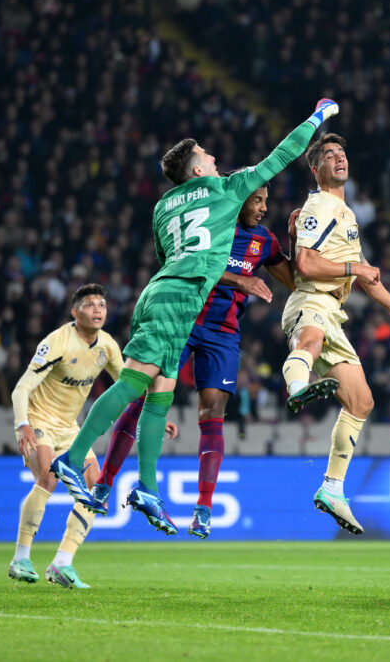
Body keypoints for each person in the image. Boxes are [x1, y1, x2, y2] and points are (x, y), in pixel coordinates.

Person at [50, 99, 341, 535]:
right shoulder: (226, 189)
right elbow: (282, 155)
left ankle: (147, 487)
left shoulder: (162, 207)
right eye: (208, 156)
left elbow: (168, 254)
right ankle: (72, 460)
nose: (216, 159)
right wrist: (318, 116)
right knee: (133, 383)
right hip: (181, 298)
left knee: (159, 393)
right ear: (199, 170)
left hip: (165, 292)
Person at [95, 179, 294, 540]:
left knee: (212, 412)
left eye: (267, 200)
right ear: (239, 200)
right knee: (141, 396)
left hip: (224, 333)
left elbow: (295, 279)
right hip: (184, 319)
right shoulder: (211, 224)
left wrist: (302, 244)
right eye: (257, 200)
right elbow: (184, 263)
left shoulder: (265, 241)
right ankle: (104, 484)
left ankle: (203, 509)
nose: (264, 207)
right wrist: (240, 281)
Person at [280, 132, 390, 534]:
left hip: (333, 311)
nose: (339, 158)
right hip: (312, 301)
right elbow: (305, 267)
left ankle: (332, 488)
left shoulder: (345, 213)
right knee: (309, 341)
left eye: (343, 152)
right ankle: (296, 388)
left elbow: (364, 269)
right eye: (329, 154)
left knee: (361, 402)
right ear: (316, 169)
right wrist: (354, 271)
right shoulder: (319, 204)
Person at [8, 284, 139, 588]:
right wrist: (22, 424)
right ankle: (20, 558)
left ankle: (62, 563)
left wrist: (157, 416)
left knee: (96, 487)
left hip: (69, 428)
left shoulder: (107, 346)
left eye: (102, 305)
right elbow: (22, 388)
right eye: (90, 304)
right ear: (75, 312)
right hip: (39, 419)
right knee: (48, 478)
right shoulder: (57, 342)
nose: (97, 309)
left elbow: (129, 387)